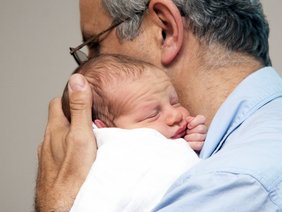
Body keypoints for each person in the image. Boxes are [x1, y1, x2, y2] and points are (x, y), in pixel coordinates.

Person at [36, 0, 282, 211]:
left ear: (165, 30)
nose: (91, 63)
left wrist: (58, 201)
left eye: (95, 45)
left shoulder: (226, 185)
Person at [61, 54, 206, 211]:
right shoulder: (113, 165)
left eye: (174, 102)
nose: (176, 115)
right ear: (106, 129)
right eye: (152, 114)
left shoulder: (167, 142)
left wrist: (189, 141)